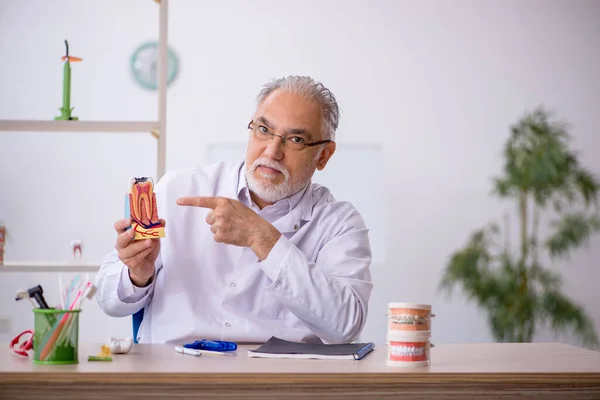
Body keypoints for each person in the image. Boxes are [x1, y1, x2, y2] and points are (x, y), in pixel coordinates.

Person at [95, 76, 373, 345]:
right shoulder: (180, 189)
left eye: (296, 139)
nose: (272, 151)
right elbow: (109, 301)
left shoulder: (339, 223)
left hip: (275, 383)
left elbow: (344, 326)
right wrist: (137, 276)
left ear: (323, 155)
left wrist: (263, 238)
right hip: (175, 376)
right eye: (264, 130)